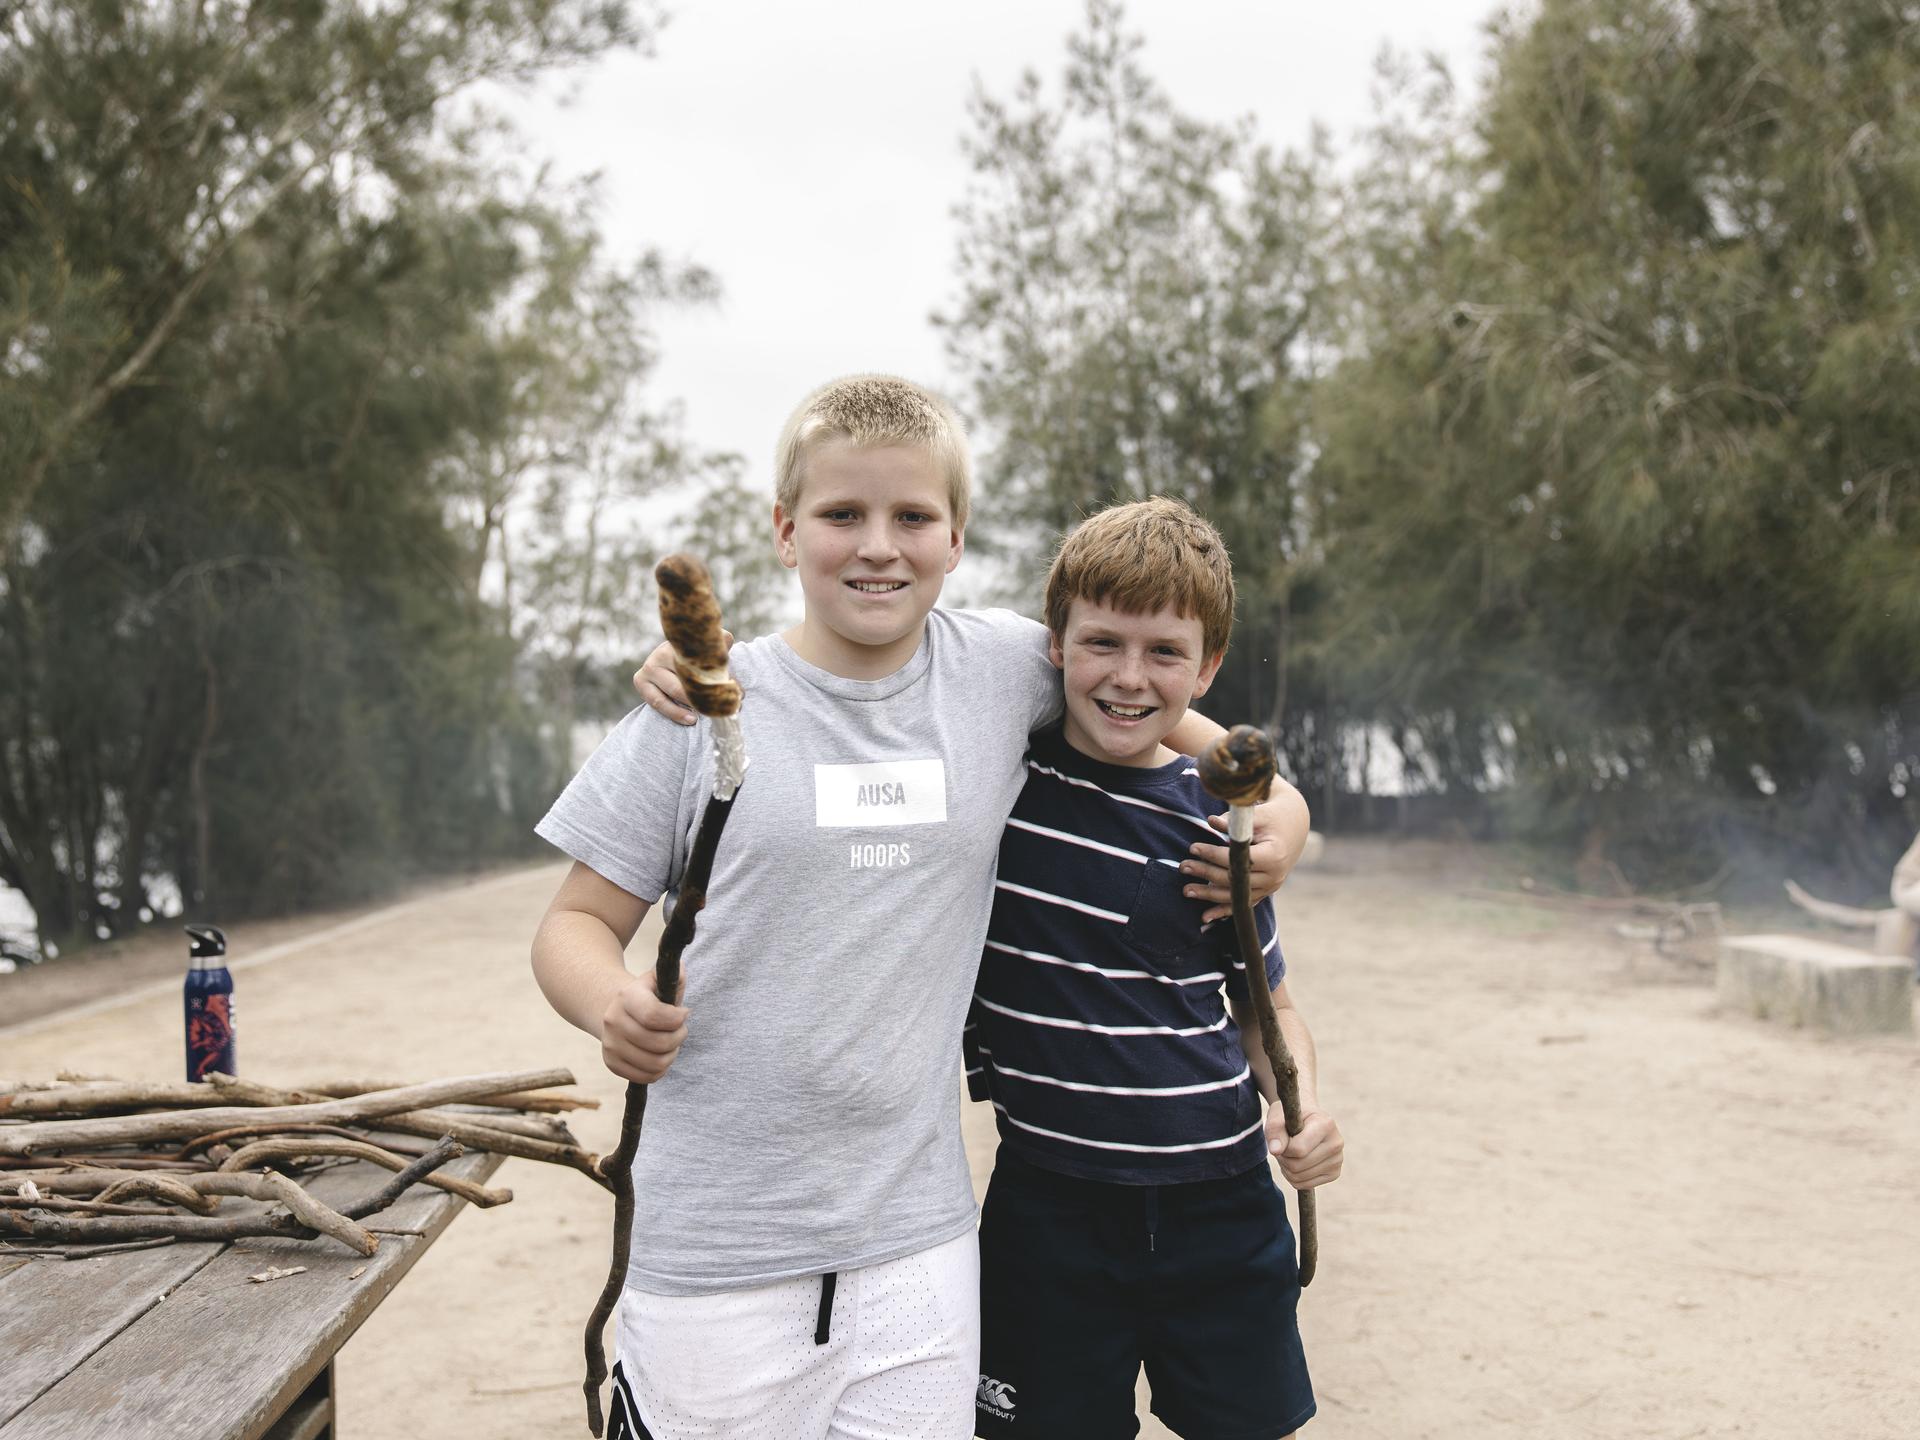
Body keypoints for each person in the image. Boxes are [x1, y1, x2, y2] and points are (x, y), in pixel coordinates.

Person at [534, 374, 1311, 1440]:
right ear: (785, 530)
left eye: (911, 517)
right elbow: (572, 925)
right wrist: (607, 1000)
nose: (878, 547)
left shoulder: (1003, 668)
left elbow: (1154, 699)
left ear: (956, 536)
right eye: (841, 515)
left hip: (919, 1250)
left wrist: (1284, 810)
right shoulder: (702, 709)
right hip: (719, 1249)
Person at [964, 497, 1342, 1440]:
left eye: (1165, 653)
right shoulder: (992, 785)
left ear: (1207, 668)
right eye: (1102, 643)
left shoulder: (1220, 832)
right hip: (1046, 1211)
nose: (1129, 677)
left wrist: (1307, 1112)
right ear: (1056, 643)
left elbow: (1267, 1013)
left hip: (1223, 1207)